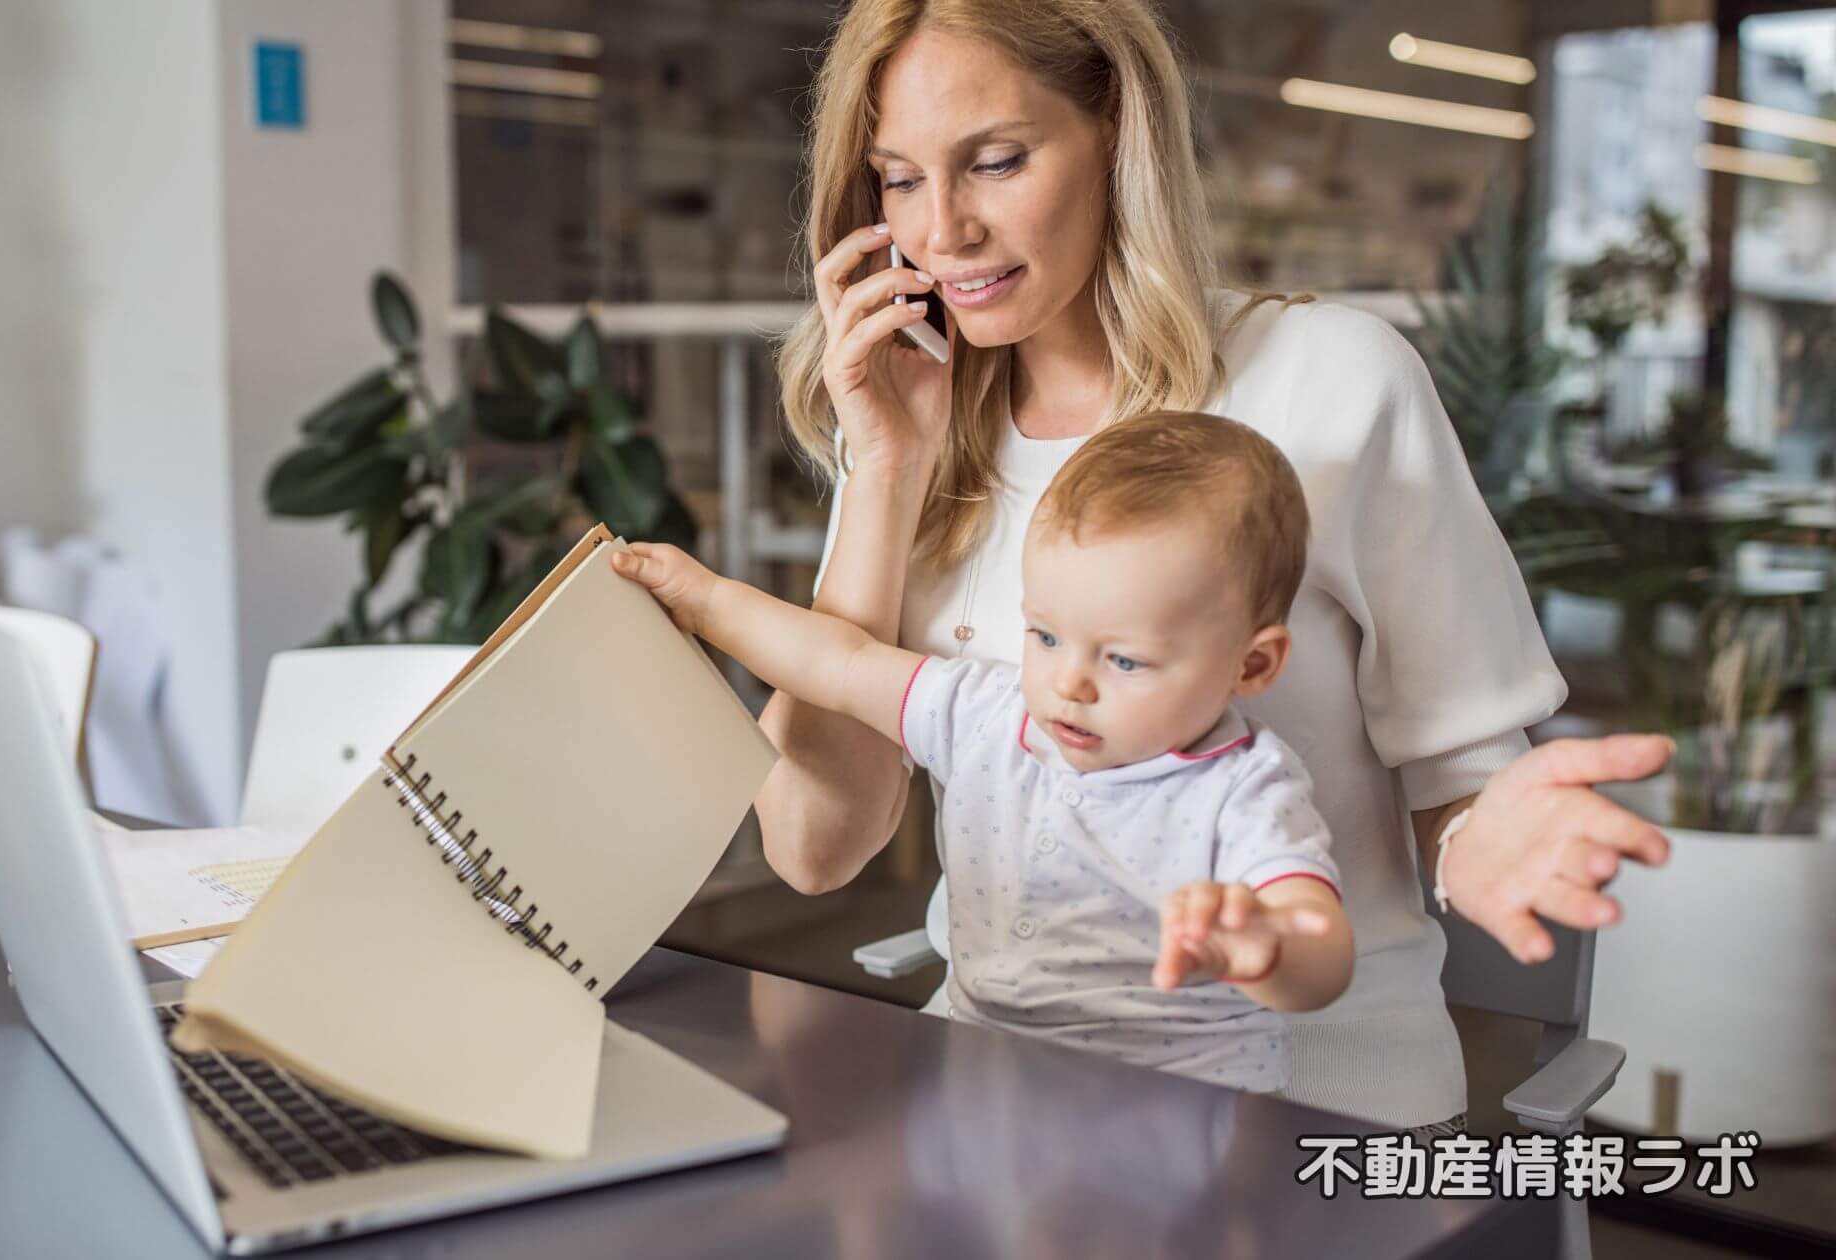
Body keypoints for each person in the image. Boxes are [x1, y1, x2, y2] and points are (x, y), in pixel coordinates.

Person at [756, 0, 1675, 1133]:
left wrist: (1485, 835)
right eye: (897, 179)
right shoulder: (908, 422)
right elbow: (810, 851)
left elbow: (1460, 782)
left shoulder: (1328, 384)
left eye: (993, 162)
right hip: (1002, 1101)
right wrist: (886, 470)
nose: (940, 232)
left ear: (1115, 133)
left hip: (1305, 1104)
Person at [621, 412, 1356, 1094]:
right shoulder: (986, 711)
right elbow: (836, 663)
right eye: (1044, 635)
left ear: (1252, 666)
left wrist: (1265, 947)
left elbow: (1320, 949)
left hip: (1175, 1105)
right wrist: (706, 601)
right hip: (983, 1076)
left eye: (1124, 661)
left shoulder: (1244, 789)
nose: (1069, 682)